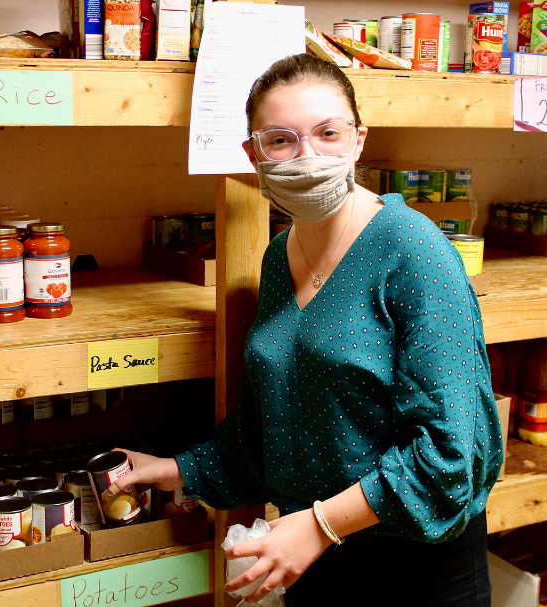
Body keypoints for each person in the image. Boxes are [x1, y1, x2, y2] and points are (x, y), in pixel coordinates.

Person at [111, 54, 503, 606]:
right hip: (310, 558)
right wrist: (179, 469)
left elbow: (450, 454)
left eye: (328, 133)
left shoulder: (414, 252)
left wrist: (321, 524)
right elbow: (276, 430)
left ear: (359, 140)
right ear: (254, 154)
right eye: (281, 140)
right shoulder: (278, 258)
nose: (308, 156)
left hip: (413, 569)